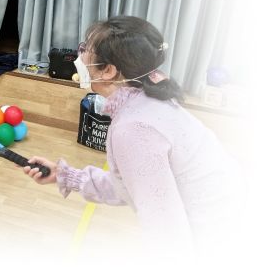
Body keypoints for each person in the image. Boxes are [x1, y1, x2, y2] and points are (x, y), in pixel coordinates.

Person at [23, 16, 243, 258]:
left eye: (85, 49)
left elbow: (165, 229)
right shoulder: (147, 101)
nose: (80, 56)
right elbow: (134, 184)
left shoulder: (134, 128)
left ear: (108, 70)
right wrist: (64, 175)